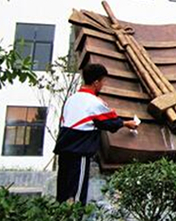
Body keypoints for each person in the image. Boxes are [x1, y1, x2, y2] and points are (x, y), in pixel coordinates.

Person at [54, 63, 138, 204]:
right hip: (79, 151)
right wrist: (126, 123)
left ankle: (60, 215)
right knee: (77, 193)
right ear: (96, 82)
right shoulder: (94, 102)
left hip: (64, 151)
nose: (103, 85)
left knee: (63, 191)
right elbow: (110, 122)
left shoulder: (71, 99)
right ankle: (75, 216)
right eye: (103, 81)